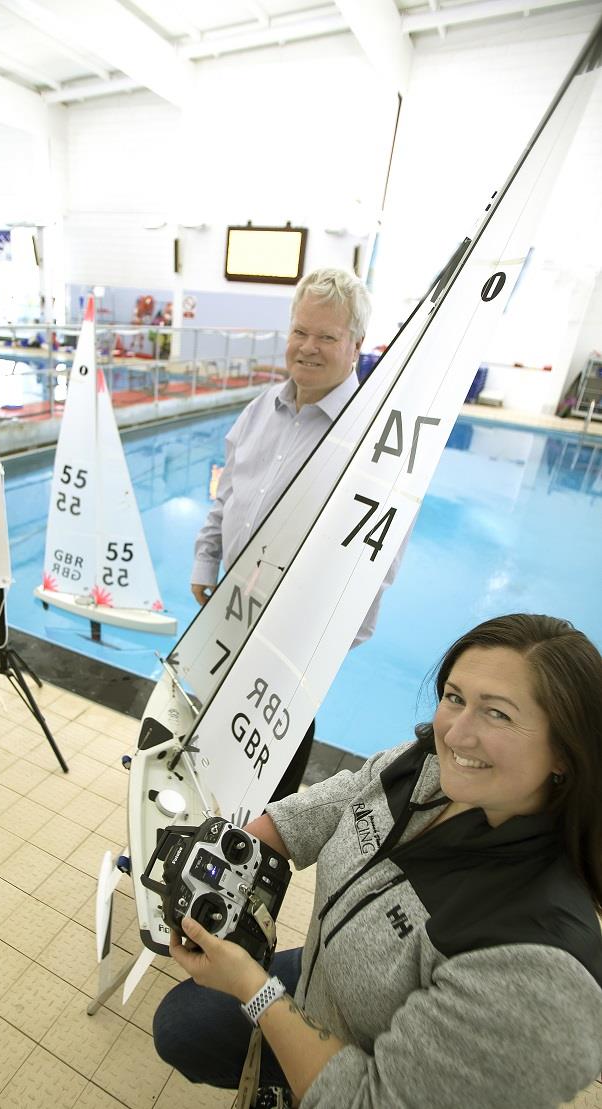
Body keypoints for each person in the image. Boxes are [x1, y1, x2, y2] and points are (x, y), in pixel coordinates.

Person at [153, 613, 602, 1109]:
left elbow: (373, 1100)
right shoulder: (423, 768)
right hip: (322, 976)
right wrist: (234, 852)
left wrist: (252, 989)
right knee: (180, 1027)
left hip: (367, 1066)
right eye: (454, 698)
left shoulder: (537, 975)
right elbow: (338, 801)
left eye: (497, 713)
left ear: (565, 750)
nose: (455, 735)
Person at [191, 267, 407, 799]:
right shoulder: (257, 411)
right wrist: (205, 564)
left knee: (263, 787)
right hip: (228, 619)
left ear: (356, 344)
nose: (308, 348)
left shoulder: (371, 441)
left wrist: (316, 649)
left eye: (327, 337)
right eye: (300, 331)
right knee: (204, 750)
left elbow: (377, 566)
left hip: (291, 650)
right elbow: (225, 499)